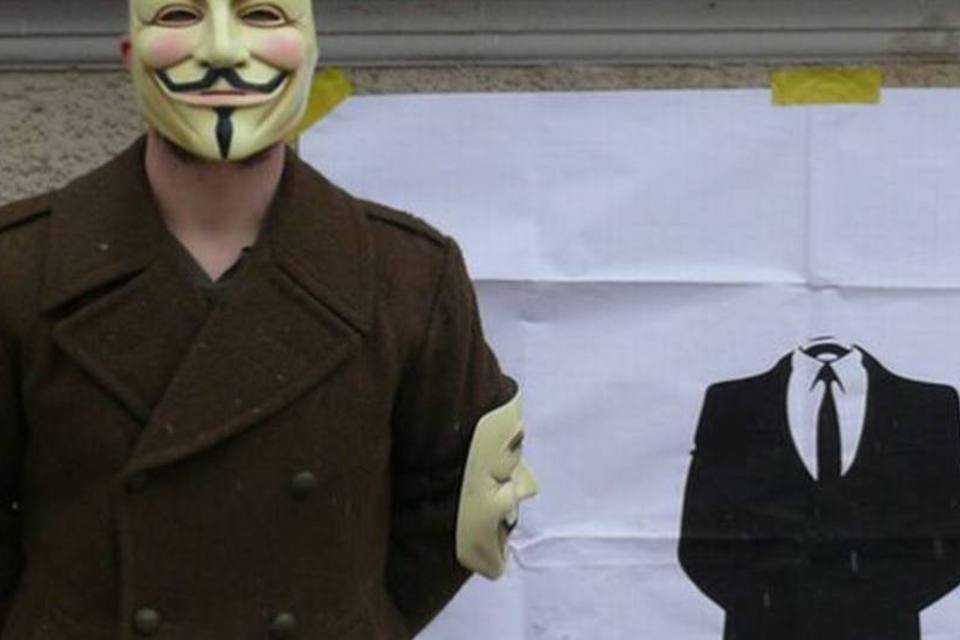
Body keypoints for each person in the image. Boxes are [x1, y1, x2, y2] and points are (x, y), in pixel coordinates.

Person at [0, 0, 537, 637]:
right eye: (179, 15)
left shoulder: (409, 276)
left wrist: (350, 622)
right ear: (130, 53)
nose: (223, 50)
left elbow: (455, 505)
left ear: (309, 51)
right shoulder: (18, 269)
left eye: (261, 15)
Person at [678, 340, 960, 640]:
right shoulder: (731, 402)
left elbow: (951, 535)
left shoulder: (929, 404)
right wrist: (768, 605)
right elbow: (699, 537)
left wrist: (882, 604)